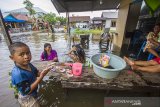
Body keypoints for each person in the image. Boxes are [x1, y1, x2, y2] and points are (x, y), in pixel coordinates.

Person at [10, 42, 53, 107]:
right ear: (12, 58)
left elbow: (36, 73)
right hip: (27, 97)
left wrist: (45, 71)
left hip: (33, 92)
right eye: (21, 55)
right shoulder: (18, 74)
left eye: (28, 53)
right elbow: (26, 91)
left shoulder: (28, 64)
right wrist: (41, 76)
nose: (26, 57)